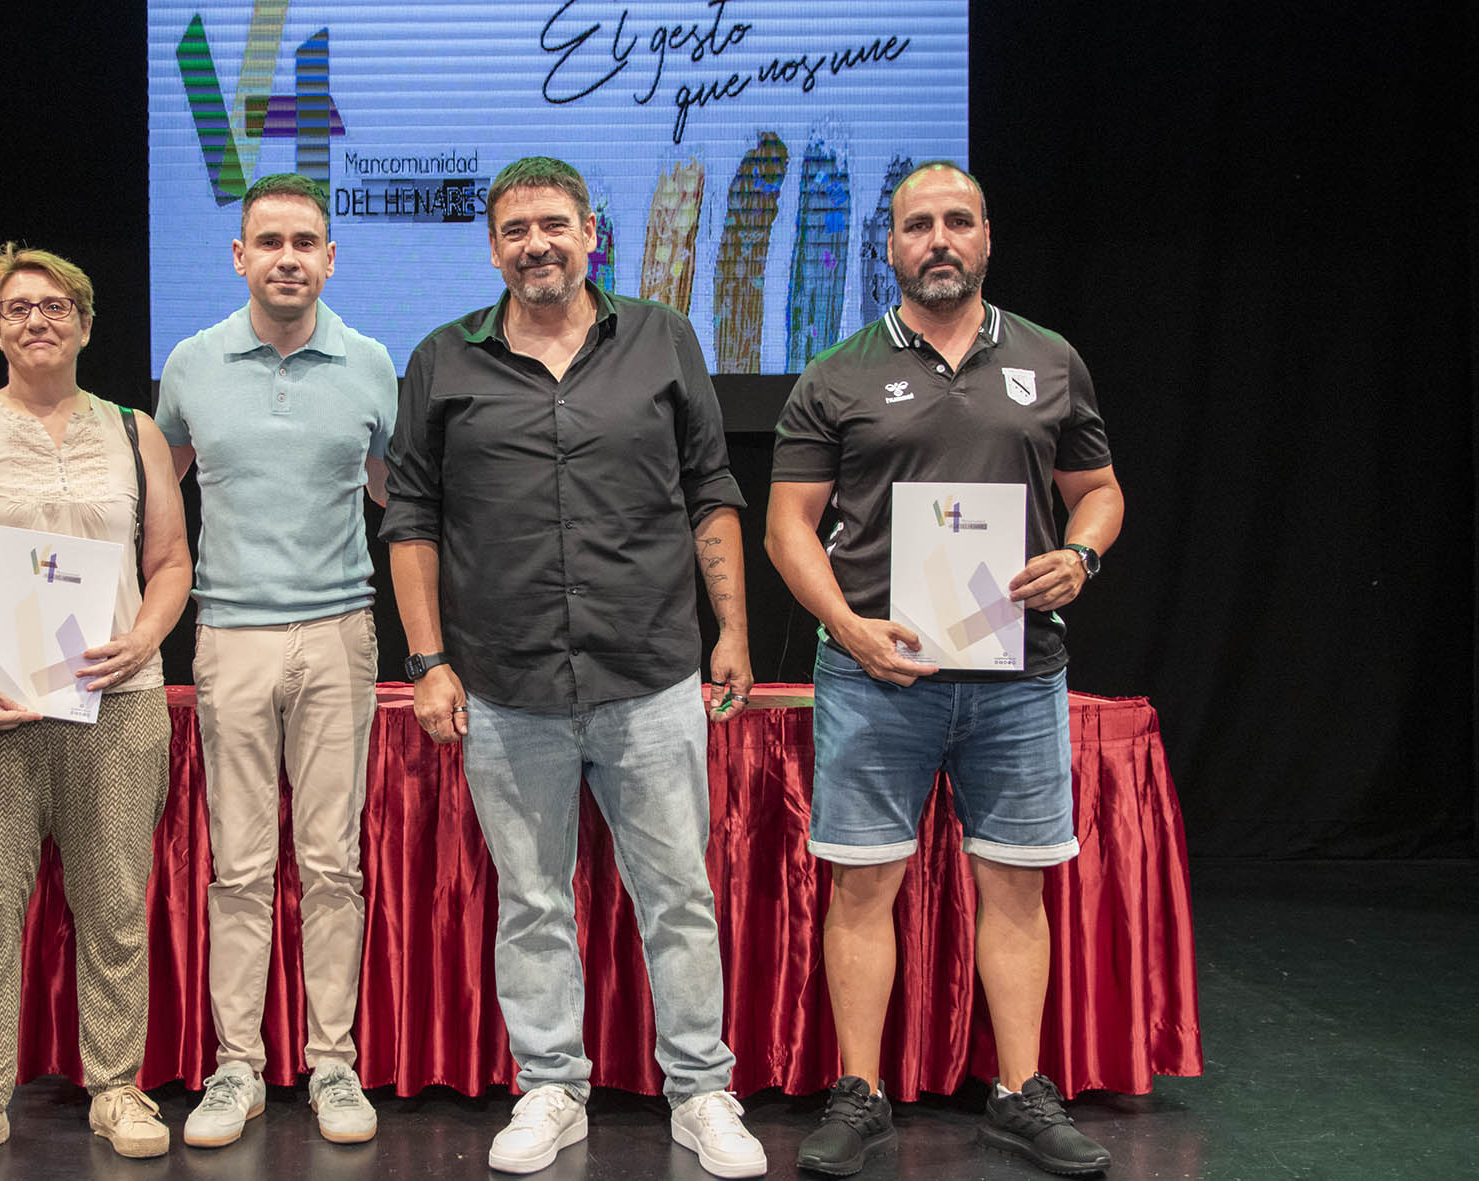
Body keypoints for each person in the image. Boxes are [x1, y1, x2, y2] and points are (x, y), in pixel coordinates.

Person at [382, 156, 767, 1179]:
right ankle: (551, 1085)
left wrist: (731, 630)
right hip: (505, 684)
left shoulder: (661, 338)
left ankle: (701, 1090)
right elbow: (412, 516)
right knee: (531, 901)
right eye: (514, 230)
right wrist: (427, 659)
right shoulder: (441, 359)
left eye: (553, 224)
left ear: (591, 233)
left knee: (677, 895)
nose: (535, 244)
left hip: (649, 671)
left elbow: (711, 489)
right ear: (492, 247)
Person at [763, 162, 1124, 1177]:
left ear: (985, 237)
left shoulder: (1050, 359)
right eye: (917, 224)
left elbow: (1099, 491)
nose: (937, 239)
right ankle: (859, 1091)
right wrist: (847, 626)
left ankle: (1019, 1093)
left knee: (1015, 886)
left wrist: (1081, 554)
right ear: (889, 246)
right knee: (861, 885)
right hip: (875, 673)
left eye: (956, 221)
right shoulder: (835, 372)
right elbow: (787, 525)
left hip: (1019, 672)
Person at [0, 244, 193, 1177]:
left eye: (55, 305)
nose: (37, 320)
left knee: (114, 905)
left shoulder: (135, 432)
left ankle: (116, 1086)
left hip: (116, 703)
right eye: (17, 307)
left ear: (86, 324)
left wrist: (143, 638)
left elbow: (170, 563)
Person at [155, 173, 396, 1148]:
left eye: (304, 243)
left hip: (339, 632)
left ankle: (333, 1063)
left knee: (332, 863)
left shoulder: (371, 363)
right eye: (269, 242)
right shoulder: (191, 363)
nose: (287, 258)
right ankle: (237, 1067)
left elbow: (398, 497)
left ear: (330, 258)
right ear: (239, 256)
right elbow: (152, 496)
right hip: (230, 635)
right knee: (241, 866)